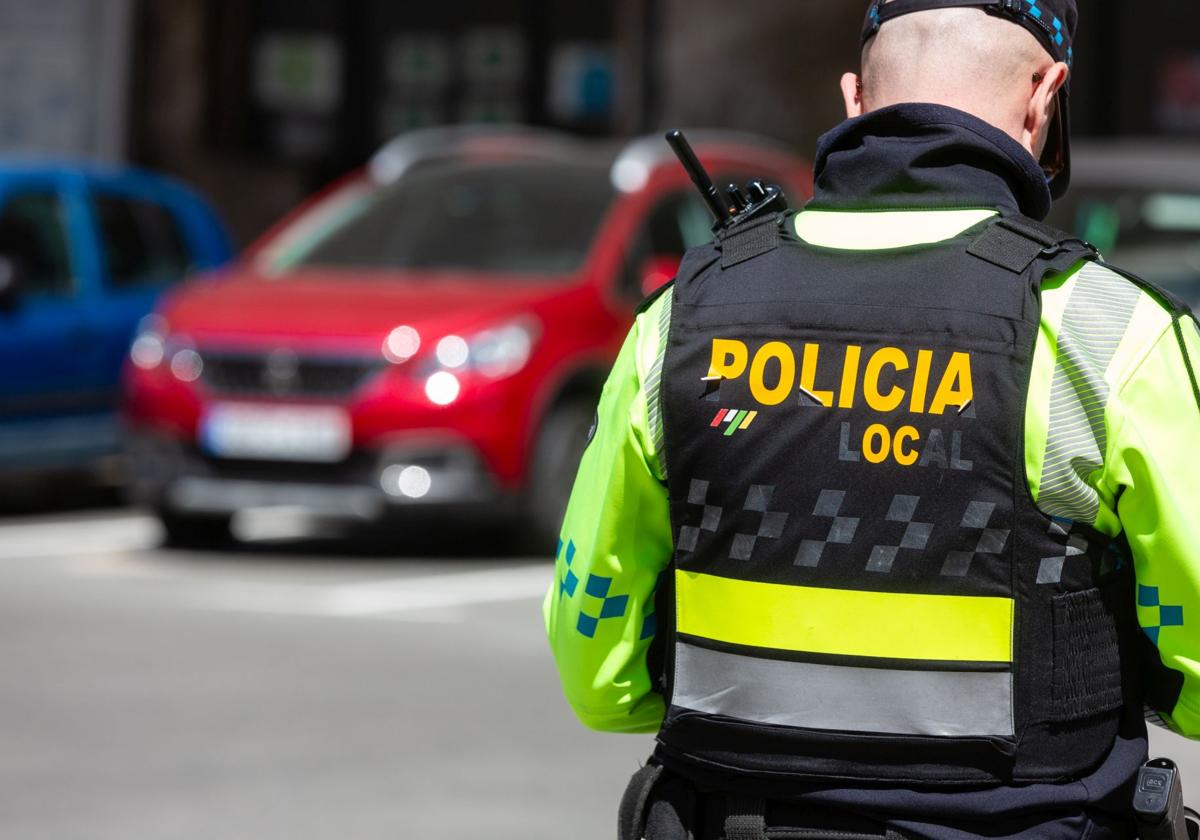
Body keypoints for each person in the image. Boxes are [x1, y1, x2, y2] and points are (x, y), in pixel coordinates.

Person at [545, 1, 1200, 837]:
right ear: (1045, 97)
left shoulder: (680, 320)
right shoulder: (1111, 333)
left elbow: (593, 656)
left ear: (855, 98)